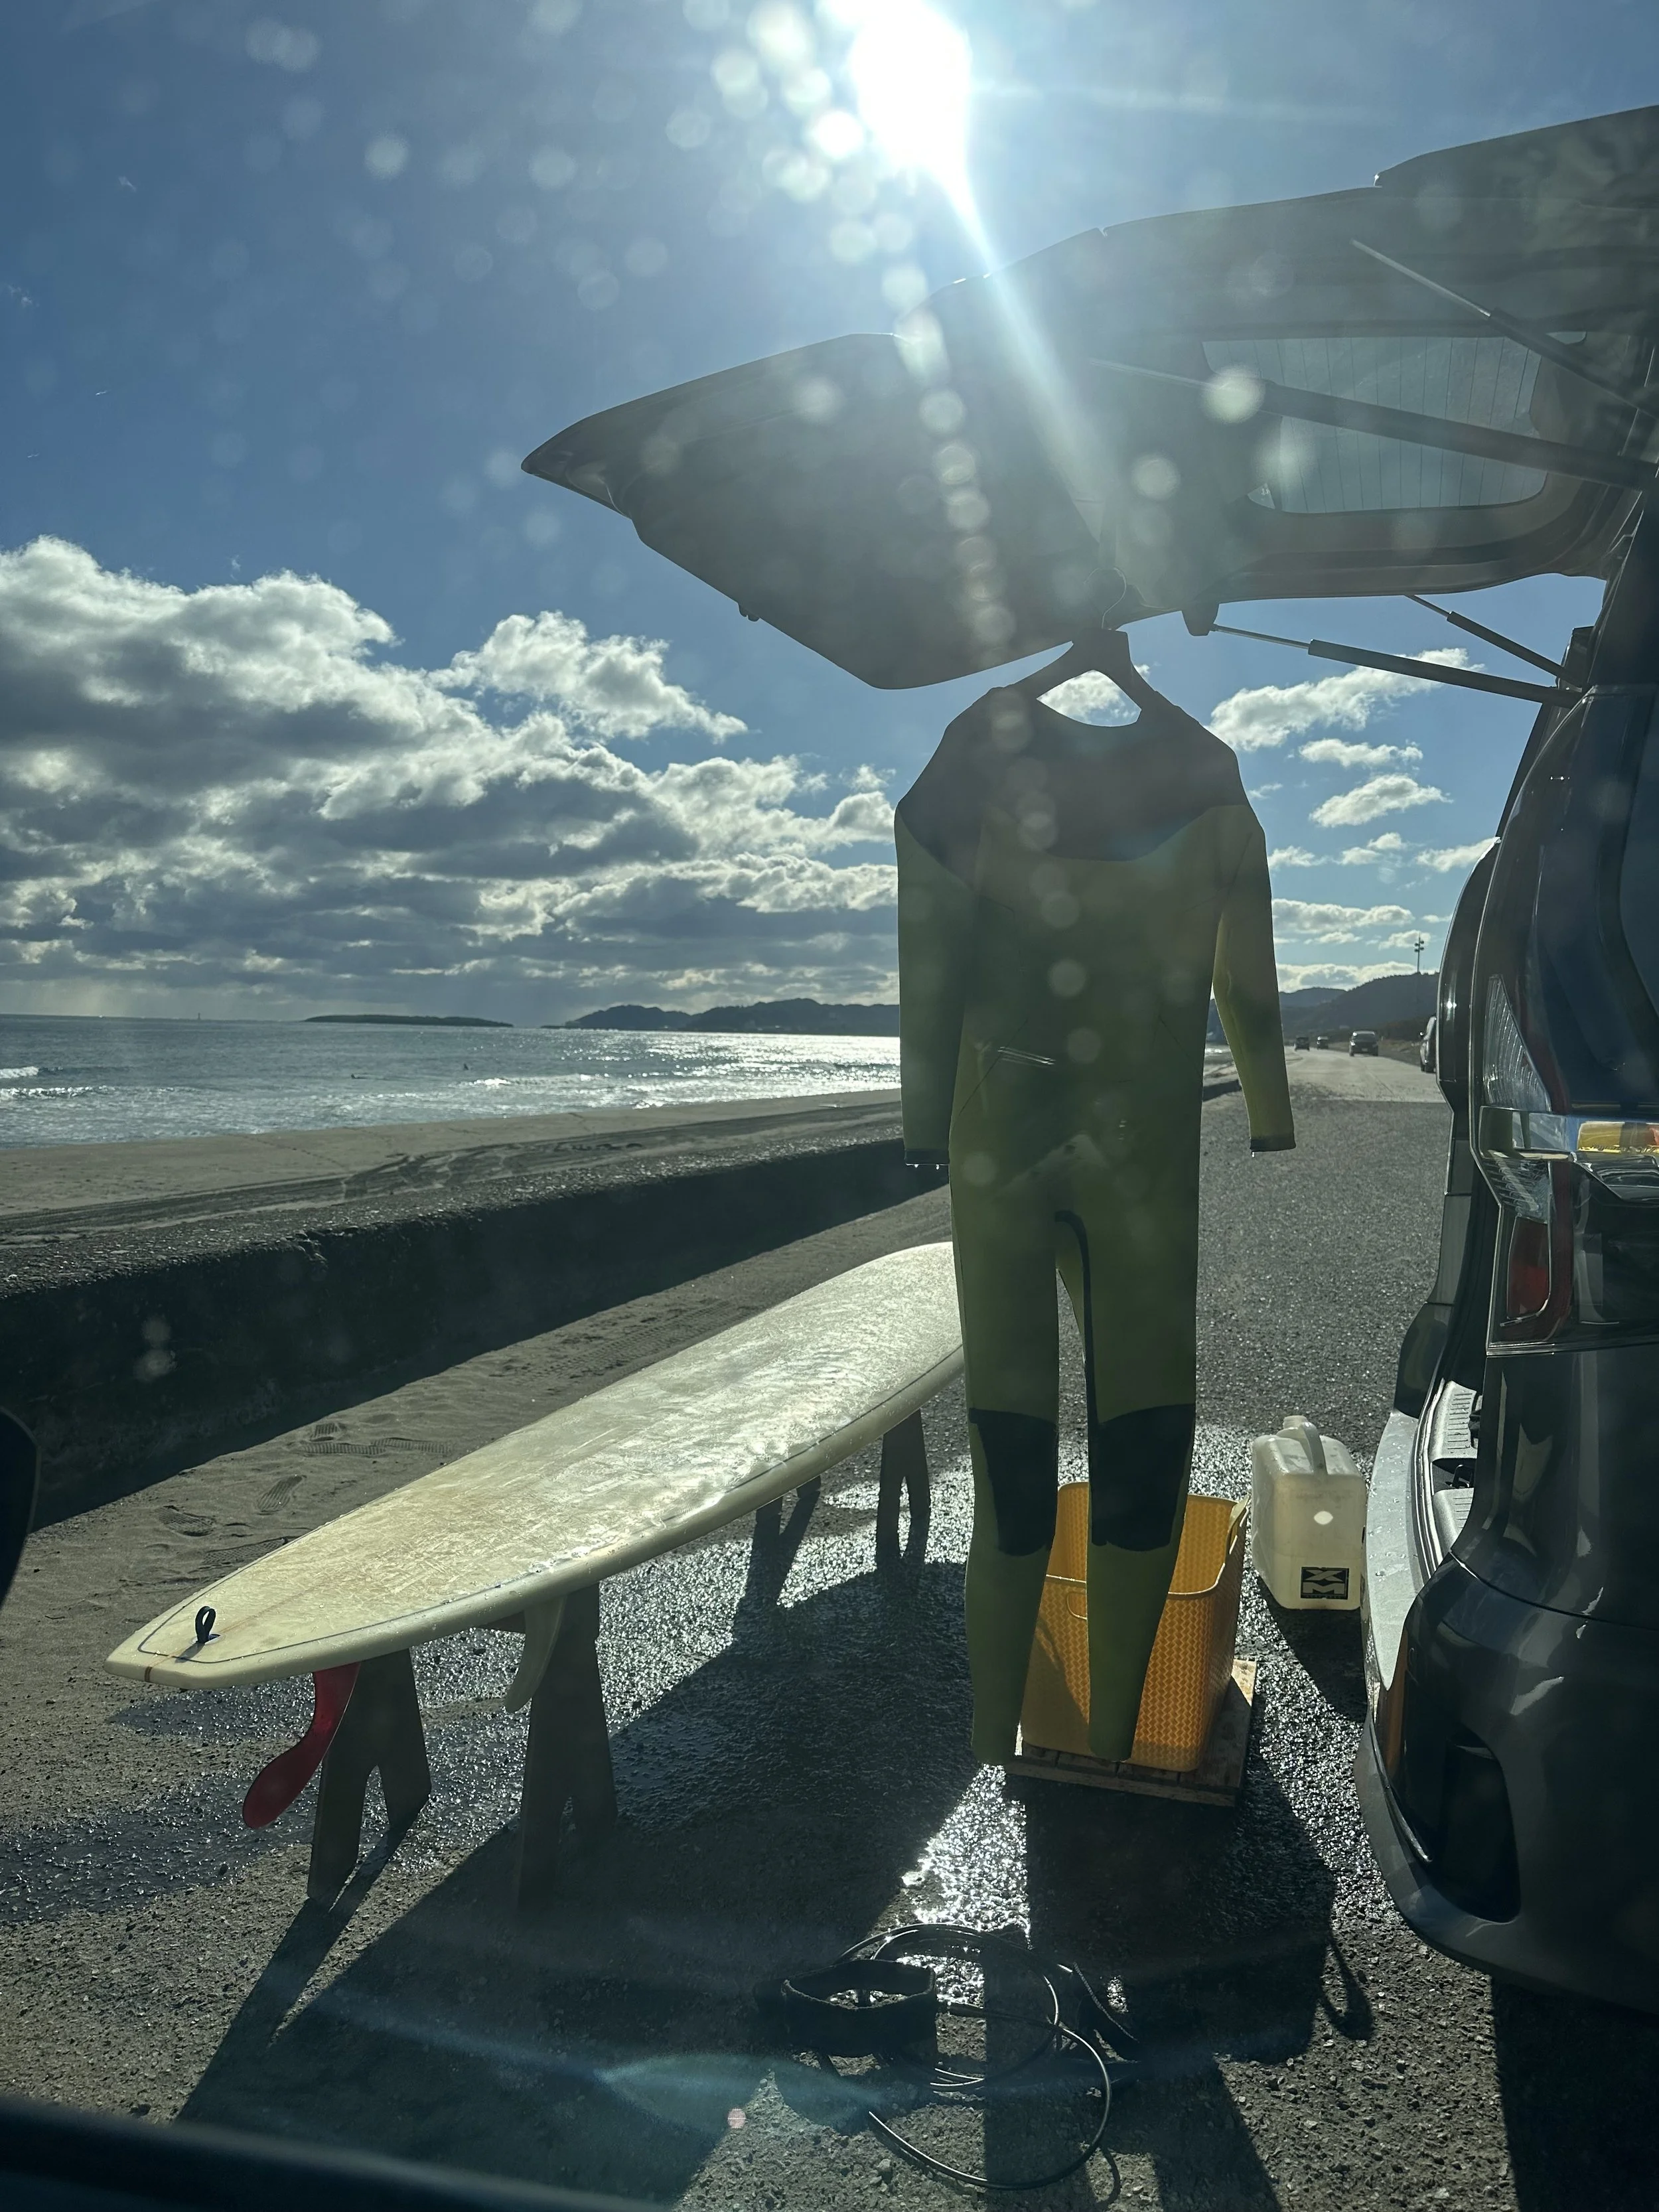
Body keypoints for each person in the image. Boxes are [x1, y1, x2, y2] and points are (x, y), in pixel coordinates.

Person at [895, 628, 1293, 1763]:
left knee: (1010, 1463)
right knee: (1144, 1450)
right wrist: (1268, 1110)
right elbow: (1250, 989)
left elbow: (928, 959)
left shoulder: (971, 756)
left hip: (995, 1162)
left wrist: (925, 1122)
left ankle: (991, 1735)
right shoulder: (1210, 775)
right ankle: (1116, 1736)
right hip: (1143, 1171)